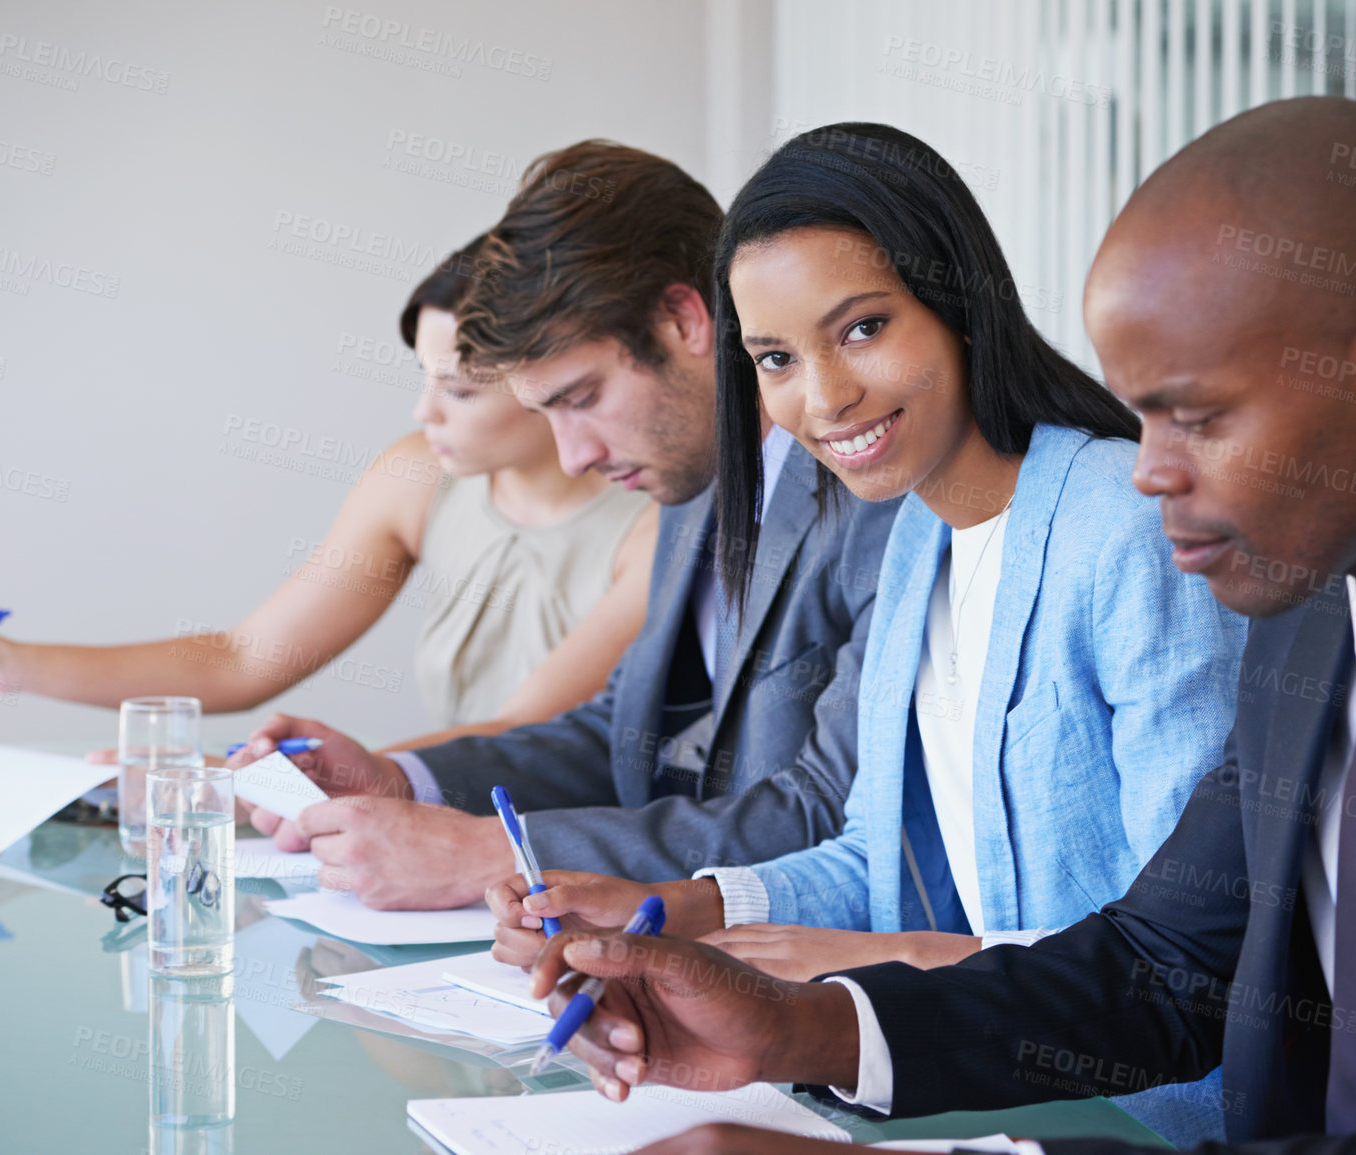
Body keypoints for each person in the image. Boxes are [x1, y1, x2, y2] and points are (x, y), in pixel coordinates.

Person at [517, 97, 1356, 1155]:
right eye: (1144, 412)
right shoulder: (1318, 585)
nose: (1150, 473)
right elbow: (1167, 967)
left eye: (1195, 417)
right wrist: (798, 1032)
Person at [487, 123, 1246, 1146]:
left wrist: (885, 970)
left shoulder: (1123, 530)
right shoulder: (918, 533)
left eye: (861, 329)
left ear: (959, 304)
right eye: (775, 359)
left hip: (1146, 1117)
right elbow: (873, 856)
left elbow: (1182, 955)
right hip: (983, 1083)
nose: (824, 398)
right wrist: (677, 911)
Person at [229, 140, 900, 913]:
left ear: (684, 318)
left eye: (581, 398)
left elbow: (827, 814)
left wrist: (489, 854)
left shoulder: (872, 487)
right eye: (545, 412)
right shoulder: (694, 475)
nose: (573, 456)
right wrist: (402, 780)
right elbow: (619, 732)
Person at [0, 237, 657, 751]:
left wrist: (258, 784)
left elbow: (522, 737)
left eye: (458, 389)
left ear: (551, 382)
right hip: (442, 836)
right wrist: (4, 663)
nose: (423, 411)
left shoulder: (657, 515)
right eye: (423, 377)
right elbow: (241, 659)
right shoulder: (416, 475)